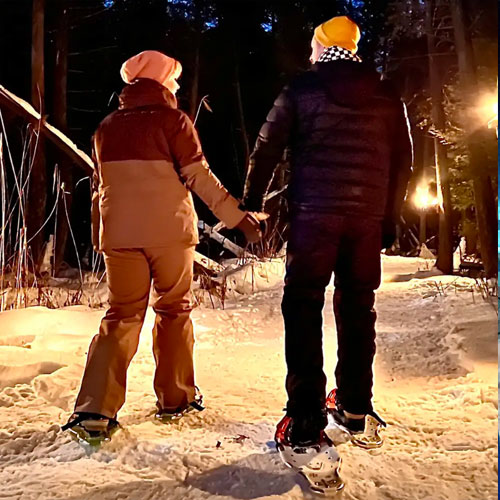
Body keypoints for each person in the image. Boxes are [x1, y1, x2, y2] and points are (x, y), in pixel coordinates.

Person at [243, 15, 413, 490]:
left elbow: (266, 145)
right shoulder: (385, 94)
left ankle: (304, 423)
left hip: (314, 218)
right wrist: (388, 218)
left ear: (320, 46)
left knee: (302, 310)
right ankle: (356, 407)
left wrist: (252, 203)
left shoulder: (301, 89)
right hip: (363, 222)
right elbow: (405, 160)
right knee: (358, 308)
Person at [63, 50, 264, 442]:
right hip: (169, 234)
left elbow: (99, 188)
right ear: (162, 83)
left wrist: (100, 236)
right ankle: (176, 398)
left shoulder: (106, 127)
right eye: (172, 79)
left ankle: (94, 409)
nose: (174, 86)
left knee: (120, 314)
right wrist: (239, 218)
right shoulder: (175, 121)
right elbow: (199, 177)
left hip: (119, 238)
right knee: (174, 309)